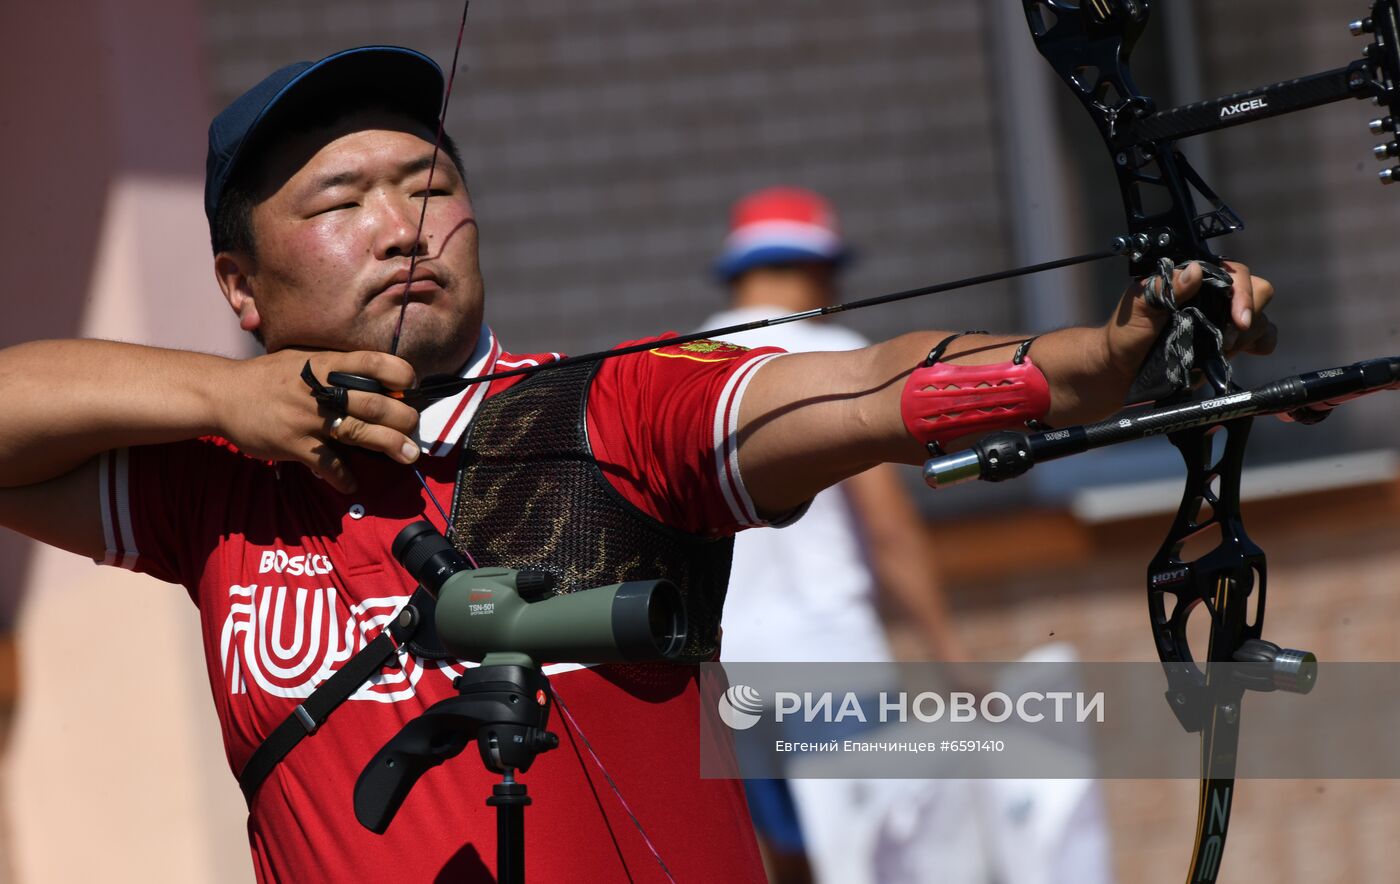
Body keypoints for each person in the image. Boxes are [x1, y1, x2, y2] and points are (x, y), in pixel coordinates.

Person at [0, 47, 1277, 883]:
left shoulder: (605, 411)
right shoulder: (216, 477)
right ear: (240, 283)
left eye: (428, 182)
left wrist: (1085, 363)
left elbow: (848, 390)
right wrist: (222, 391)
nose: (400, 226)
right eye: (339, 204)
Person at [704, 189, 1114, 884]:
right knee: (875, 860)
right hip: (832, 664)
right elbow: (887, 527)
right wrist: (949, 654)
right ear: (816, 268)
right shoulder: (831, 355)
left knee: (790, 863)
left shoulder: (699, 362)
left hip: (731, 672)